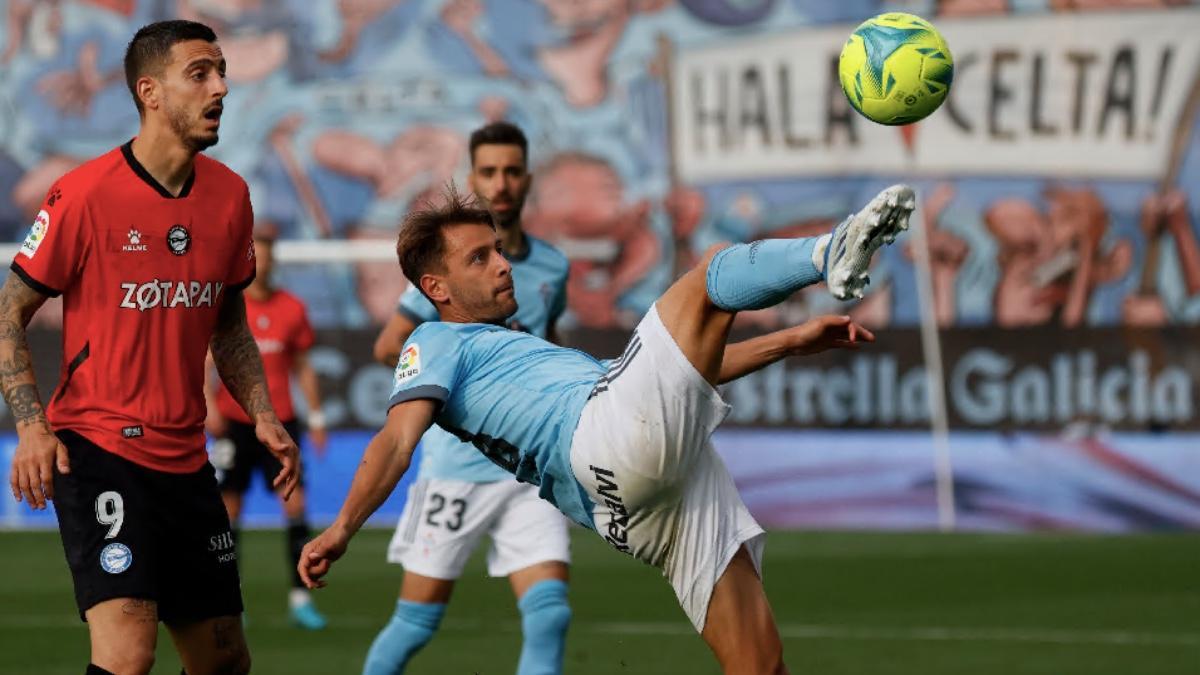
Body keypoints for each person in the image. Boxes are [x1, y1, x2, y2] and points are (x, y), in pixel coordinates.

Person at [300, 183, 914, 674]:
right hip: (602, 445)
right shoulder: (435, 339)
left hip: (631, 503)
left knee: (760, 664)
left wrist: (789, 340)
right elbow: (396, 439)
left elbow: (667, 385)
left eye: (498, 250)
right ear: (435, 288)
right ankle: (829, 251)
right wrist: (343, 528)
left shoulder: (521, 351)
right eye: (478, 258)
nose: (502, 265)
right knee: (709, 278)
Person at [2, 20, 299, 675]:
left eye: (221, 71)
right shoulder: (84, 193)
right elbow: (9, 308)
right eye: (200, 73)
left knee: (224, 660)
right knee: (129, 651)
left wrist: (265, 412)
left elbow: (230, 325)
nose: (221, 86)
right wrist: (31, 426)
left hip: (187, 460)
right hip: (99, 449)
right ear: (151, 92)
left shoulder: (230, 198)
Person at [365, 122, 573, 675]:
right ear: (474, 178)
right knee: (414, 625)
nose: (501, 183)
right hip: (456, 470)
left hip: (528, 470)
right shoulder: (449, 270)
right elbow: (391, 345)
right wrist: (459, 389)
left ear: (527, 177)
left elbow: (547, 346)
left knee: (550, 614)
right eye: (488, 172)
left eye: (511, 171)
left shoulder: (553, 266)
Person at [205, 229, 329, 630]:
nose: (265, 264)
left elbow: (304, 367)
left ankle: (300, 600)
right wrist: (208, 406)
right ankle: (228, 604)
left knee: (295, 508)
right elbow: (204, 362)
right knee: (229, 514)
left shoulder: (291, 308)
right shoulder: (227, 309)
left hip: (280, 424)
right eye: (259, 257)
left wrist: (316, 417)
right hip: (234, 425)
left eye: (271, 257)